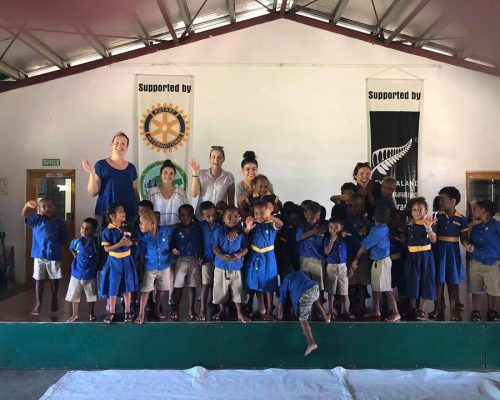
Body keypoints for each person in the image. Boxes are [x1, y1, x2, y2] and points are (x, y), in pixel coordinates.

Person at [352, 205, 401, 322]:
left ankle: (396, 312)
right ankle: (376, 309)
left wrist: (355, 260)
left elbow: (363, 247)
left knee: (386, 288)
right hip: (380, 261)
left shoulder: (377, 232)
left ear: (373, 217)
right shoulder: (383, 227)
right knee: (376, 287)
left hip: (381, 262)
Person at [81, 132, 139, 229]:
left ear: (127, 148)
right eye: (117, 142)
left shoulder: (131, 168)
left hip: (128, 216)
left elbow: (135, 192)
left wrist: (139, 210)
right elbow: (93, 192)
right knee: (106, 243)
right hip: (105, 216)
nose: (120, 145)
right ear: (111, 145)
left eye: (123, 143)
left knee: (128, 243)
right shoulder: (101, 165)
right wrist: (91, 173)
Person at [430, 186, 471, 321]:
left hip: (453, 254)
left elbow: (463, 238)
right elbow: (432, 233)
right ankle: (437, 308)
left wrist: (467, 245)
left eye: (443, 200)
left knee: (453, 283)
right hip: (438, 251)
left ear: (453, 201)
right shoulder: (436, 216)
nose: (440, 202)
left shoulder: (461, 219)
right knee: (438, 281)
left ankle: (454, 311)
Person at [22, 198, 68, 316]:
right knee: (39, 279)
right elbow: (24, 215)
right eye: (44, 206)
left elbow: (64, 240)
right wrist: (27, 205)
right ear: (39, 210)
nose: (47, 208)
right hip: (39, 255)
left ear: (54, 208)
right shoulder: (36, 220)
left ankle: (54, 299)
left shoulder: (60, 223)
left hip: (54, 255)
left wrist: (71, 251)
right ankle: (38, 303)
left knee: (54, 279)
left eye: (49, 206)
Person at [99, 203, 139, 323]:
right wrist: (119, 244)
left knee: (127, 286)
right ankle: (111, 312)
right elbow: (106, 249)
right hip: (113, 262)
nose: (124, 213)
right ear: (112, 216)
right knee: (112, 287)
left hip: (126, 261)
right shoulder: (107, 231)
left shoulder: (127, 228)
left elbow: (133, 241)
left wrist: (130, 243)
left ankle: (127, 311)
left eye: (124, 211)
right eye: (121, 211)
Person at [135, 209, 175, 324]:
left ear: (152, 223)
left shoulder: (165, 231)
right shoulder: (144, 238)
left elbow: (176, 227)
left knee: (161, 289)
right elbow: (142, 255)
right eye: (140, 222)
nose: (140, 225)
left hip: (164, 266)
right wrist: (142, 270)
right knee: (146, 290)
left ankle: (157, 309)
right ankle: (141, 313)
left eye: (142, 222)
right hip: (150, 268)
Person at [277, 271, 331, 356]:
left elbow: (281, 302)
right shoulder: (299, 273)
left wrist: (279, 319)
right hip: (315, 287)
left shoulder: (285, 281)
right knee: (314, 299)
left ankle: (311, 343)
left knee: (303, 318)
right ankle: (325, 317)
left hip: (304, 293)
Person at [245, 201, 283, 320]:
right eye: (257, 213)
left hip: (268, 256)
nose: (259, 216)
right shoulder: (254, 224)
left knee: (269, 283)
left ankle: (270, 310)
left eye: (262, 213)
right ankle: (262, 309)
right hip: (255, 255)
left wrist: (270, 216)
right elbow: (244, 234)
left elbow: (280, 224)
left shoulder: (271, 224)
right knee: (257, 283)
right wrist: (248, 227)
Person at [212, 206, 250, 323]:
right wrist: (222, 256)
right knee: (220, 290)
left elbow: (246, 248)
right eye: (229, 216)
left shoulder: (242, 233)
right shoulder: (218, 231)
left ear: (239, 218)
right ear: (223, 218)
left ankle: (239, 313)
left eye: (235, 216)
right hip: (221, 266)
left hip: (235, 267)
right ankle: (222, 310)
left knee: (237, 290)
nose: (232, 218)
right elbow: (214, 247)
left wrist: (239, 255)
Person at [466, 200, 500, 322]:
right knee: (476, 288)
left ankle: (493, 311)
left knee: (494, 289)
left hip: (493, 263)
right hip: (476, 262)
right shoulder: (475, 228)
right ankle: (476, 311)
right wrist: (469, 247)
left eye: (476, 209)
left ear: (483, 211)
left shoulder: (496, 225)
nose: (474, 211)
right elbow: (471, 242)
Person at [404, 197, 437, 321]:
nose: (417, 212)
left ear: (426, 210)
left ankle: (422, 309)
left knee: (426, 281)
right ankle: (413, 308)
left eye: (420, 209)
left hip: (425, 257)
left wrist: (429, 228)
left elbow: (433, 239)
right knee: (412, 281)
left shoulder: (428, 223)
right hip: (411, 257)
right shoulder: (409, 225)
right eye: (414, 210)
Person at [170, 204, 203, 321]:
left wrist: (201, 256)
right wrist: (172, 248)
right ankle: (176, 309)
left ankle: (191, 309)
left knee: (192, 286)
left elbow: (201, 243)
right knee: (178, 285)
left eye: (188, 214)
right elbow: (171, 243)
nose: (186, 217)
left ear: (192, 215)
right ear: (179, 216)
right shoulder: (176, 230)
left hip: (194, 259)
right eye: (183, 215)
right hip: (181, 259)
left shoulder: (197, 228)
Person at [65, 218, 100, 322]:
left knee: (91, 296)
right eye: (82, 227)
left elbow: (100, 254)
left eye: (87, 228)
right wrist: (76, 257)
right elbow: (72, 250)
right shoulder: (76, 242)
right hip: (76, 272)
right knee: (74, 295)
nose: (84, 230)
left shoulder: (96, 242)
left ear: (93, 231)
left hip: (90, 273)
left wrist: (98, 266)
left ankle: (91, 314)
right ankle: (75, 314)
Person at [343, 194, 370, 317]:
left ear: (362, 207)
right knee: (351, 284)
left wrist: (366, 226)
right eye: (351, 206)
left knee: (362, 285)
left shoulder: (367, 223)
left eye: (356, 206)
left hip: (363, 258)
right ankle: (352, 307)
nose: (353, 208)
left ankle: (361, 307)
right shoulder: (345, 222)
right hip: (349, 257)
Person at [190, 146, 235, 218]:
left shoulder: (229, 177)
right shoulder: (201, 174)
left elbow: (231, 203)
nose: (216, 159)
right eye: (213, 157)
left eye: (219, 157)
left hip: (220, 217)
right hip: (202, 217)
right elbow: (194, 194)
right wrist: (195, 173)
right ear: (209, 159)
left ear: (223, 159)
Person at [323, 218, 354, 320]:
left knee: (344, 290)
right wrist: (332, 240)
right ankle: (330, 311)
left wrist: (350, 267)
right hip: (331, 266)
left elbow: (349, 253)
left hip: (343, 266)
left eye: (336, 228)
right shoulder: (327, 238)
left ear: (342, 228)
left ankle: (345, 310)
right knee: (331, 291)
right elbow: (327, 252)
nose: (333, 230)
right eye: (331, 227)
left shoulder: (345, 238)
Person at [296, 201, 326, 295]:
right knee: (305, 284)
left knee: (318, 285)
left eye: (317, 218)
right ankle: (307, 306)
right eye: (311, 218)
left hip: (318, 259)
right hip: (305, 259)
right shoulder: (302, 226)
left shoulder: (323, 226)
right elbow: (299, 237)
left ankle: (319, 305)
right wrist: (314, 231)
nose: (314, 220)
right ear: (305, 214)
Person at [145, 159, 187, 226]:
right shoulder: (152, 192)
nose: (168, 176)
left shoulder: (181, 192)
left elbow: (186, 212)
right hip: (157, 232)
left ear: (174, 176)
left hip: (176, 230)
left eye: (171, 173)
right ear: (160, 174)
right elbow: (145, 212)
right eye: (165, 173)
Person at [198, 201, 222, 321]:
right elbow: (198, 242)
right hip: (206, 259)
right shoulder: (201, 226)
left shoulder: (221, 223)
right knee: (205, 284)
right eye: (208, 216)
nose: (212, 217)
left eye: (214, 214)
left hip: (219, 260)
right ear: (202, 216)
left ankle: (218, 306)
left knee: (218, 284)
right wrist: (200, 256)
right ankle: (202, 310)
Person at [236, 151, 274, 217]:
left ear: (257, 170)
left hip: (266, 219)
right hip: (249, 219)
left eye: (254, 169)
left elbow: (273, 202)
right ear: (242, 171)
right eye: (247, 169)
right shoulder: (240, 186)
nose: (251, 172)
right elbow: (241, 210)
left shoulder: (265, 182)